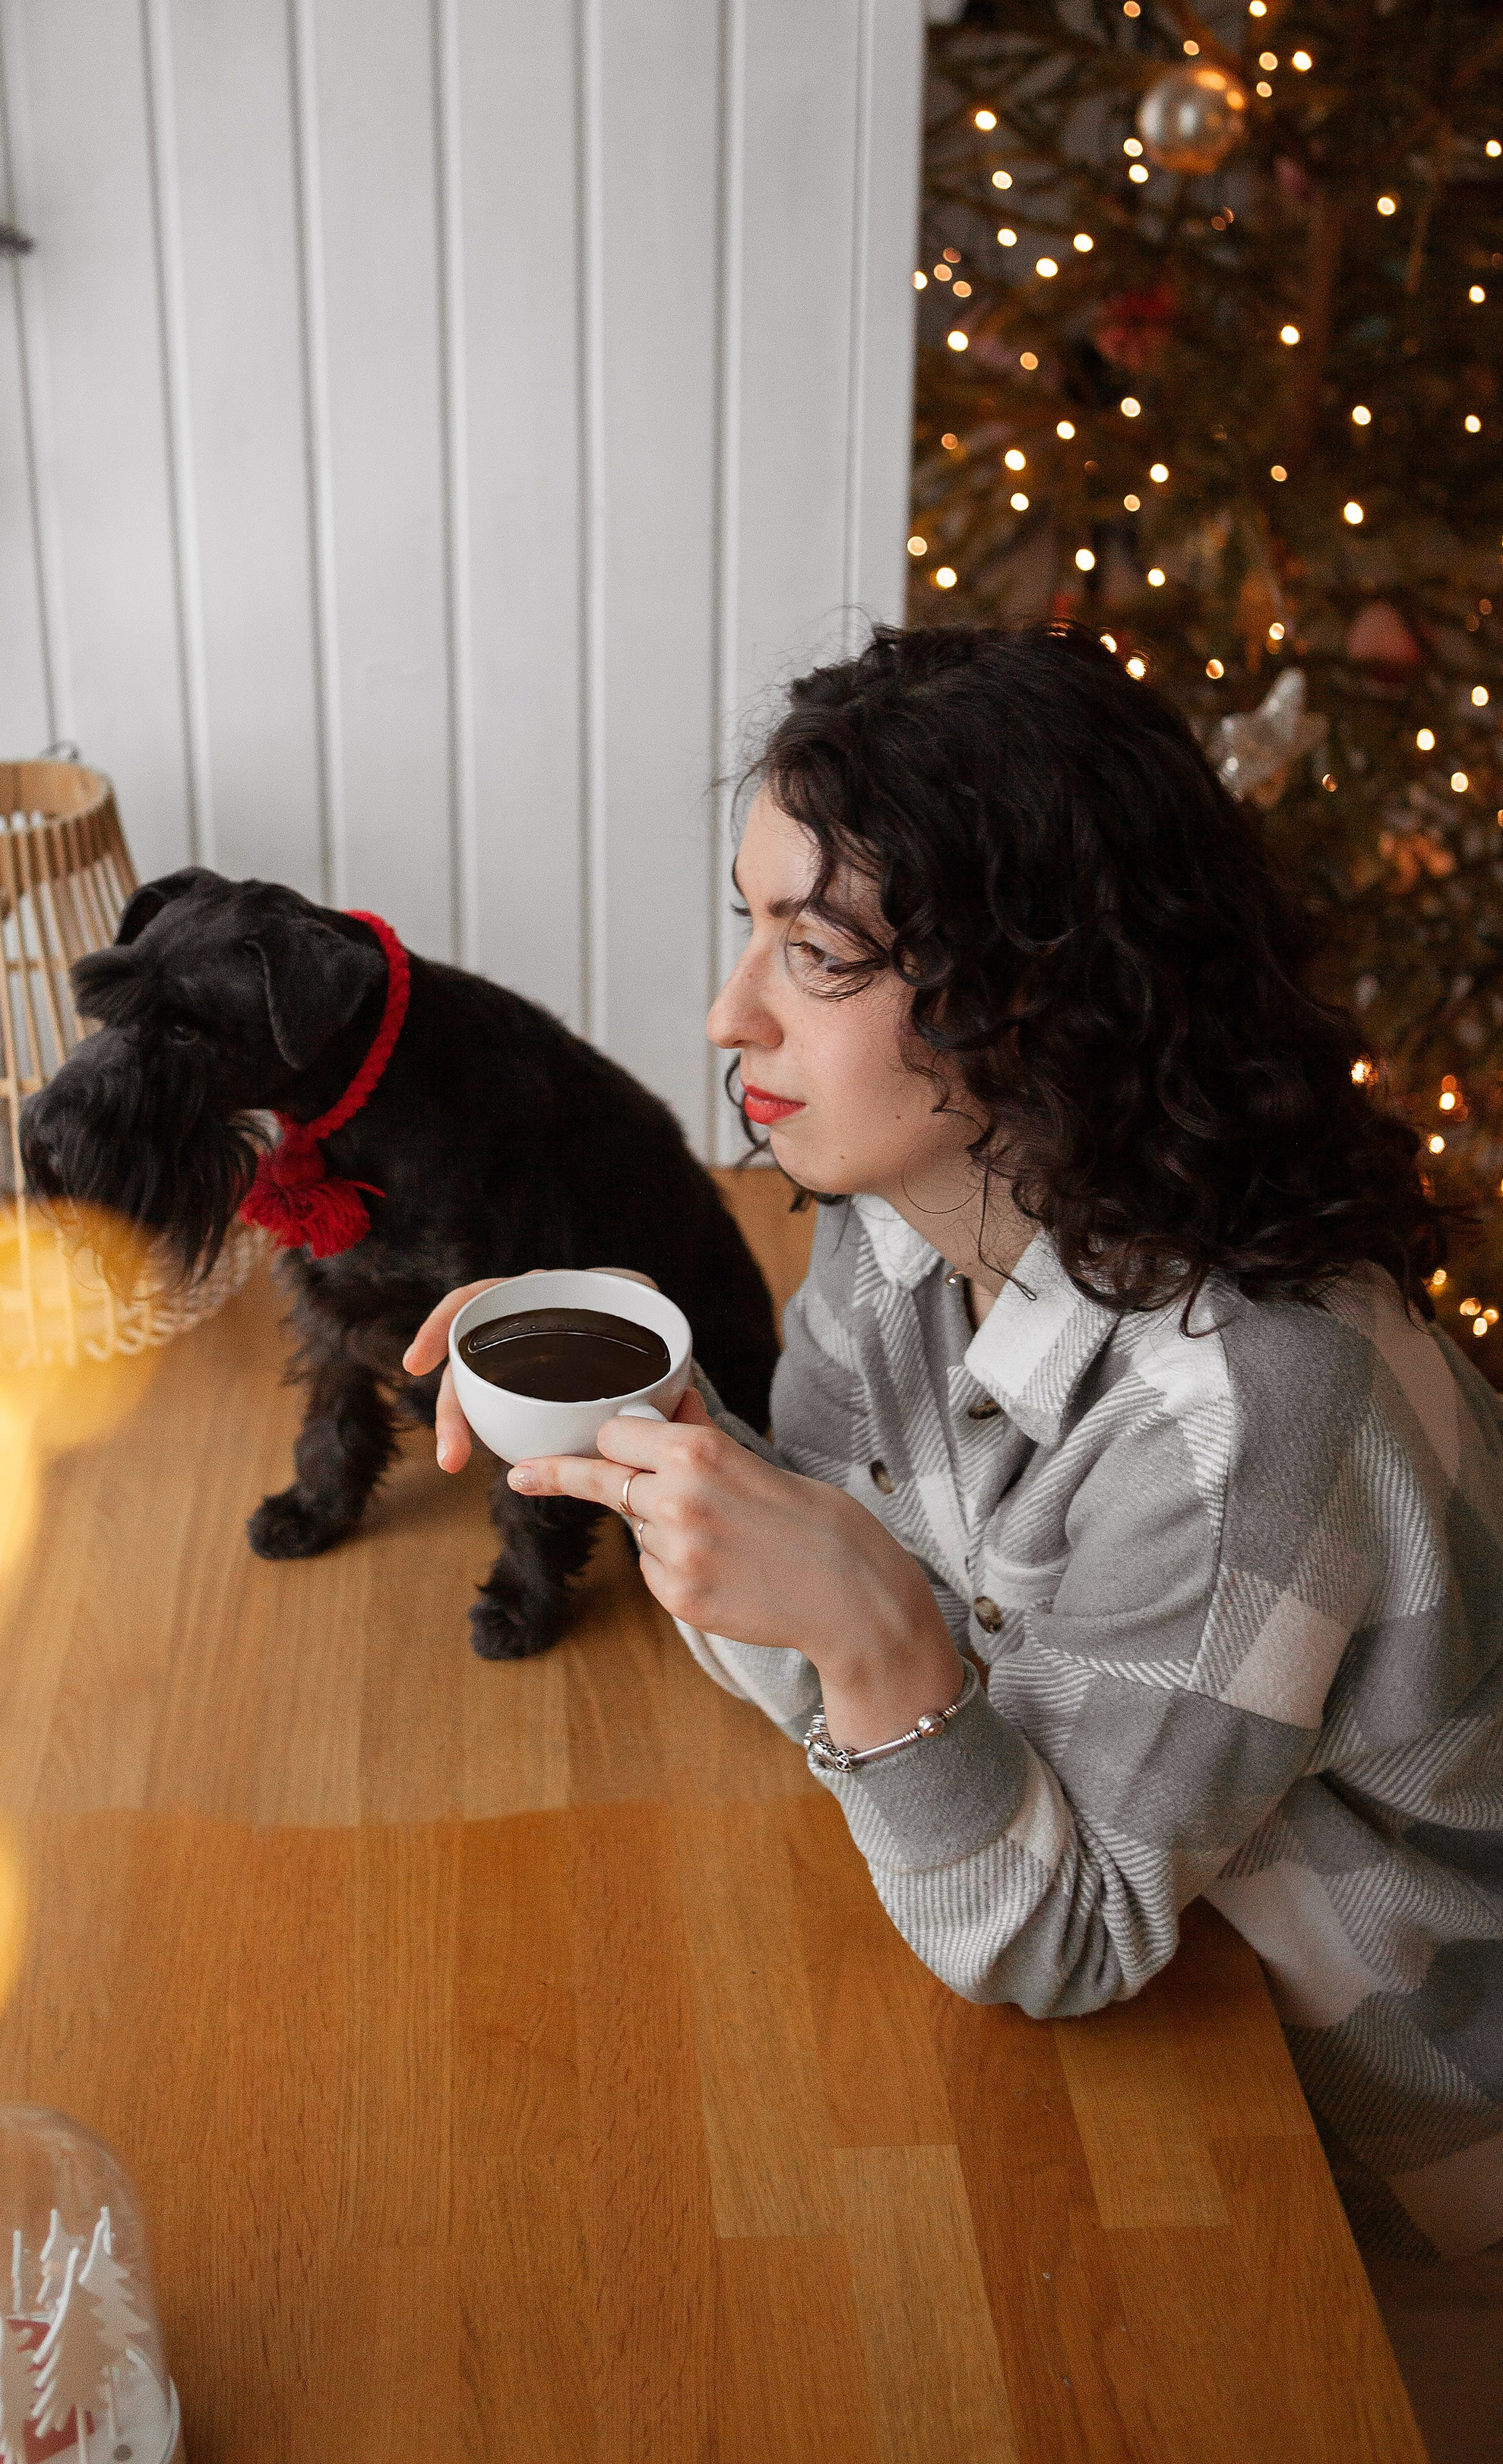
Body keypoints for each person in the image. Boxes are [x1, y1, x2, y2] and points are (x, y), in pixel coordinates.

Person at [404, 623, 1503, 2392]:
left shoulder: (1250, 1409)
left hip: (1392, 2184)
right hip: (1181, 2027)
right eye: (749, 928)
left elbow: (1058, 1934)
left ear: (1032, 993)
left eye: (814, 956)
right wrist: (662, 1435)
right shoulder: (907, 1226)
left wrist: (868, 1637)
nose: (728, 1015)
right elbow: (848, 1658)